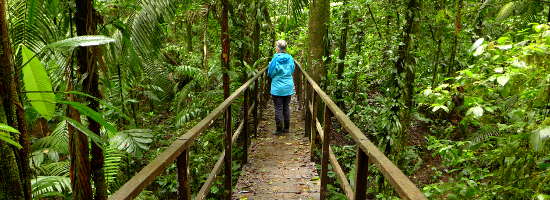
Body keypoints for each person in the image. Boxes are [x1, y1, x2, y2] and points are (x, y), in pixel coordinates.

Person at [268, 40, 295, 135]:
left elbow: (270, 73)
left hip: (277, 88)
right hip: (288, 86)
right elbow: (292, 70)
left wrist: (270, 65)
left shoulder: (275, 59)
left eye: (276, 46)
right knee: (286, 107)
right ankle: (286, 128)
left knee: (278, 108)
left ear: (278, 48)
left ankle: (279, 129)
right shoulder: (290, 58)